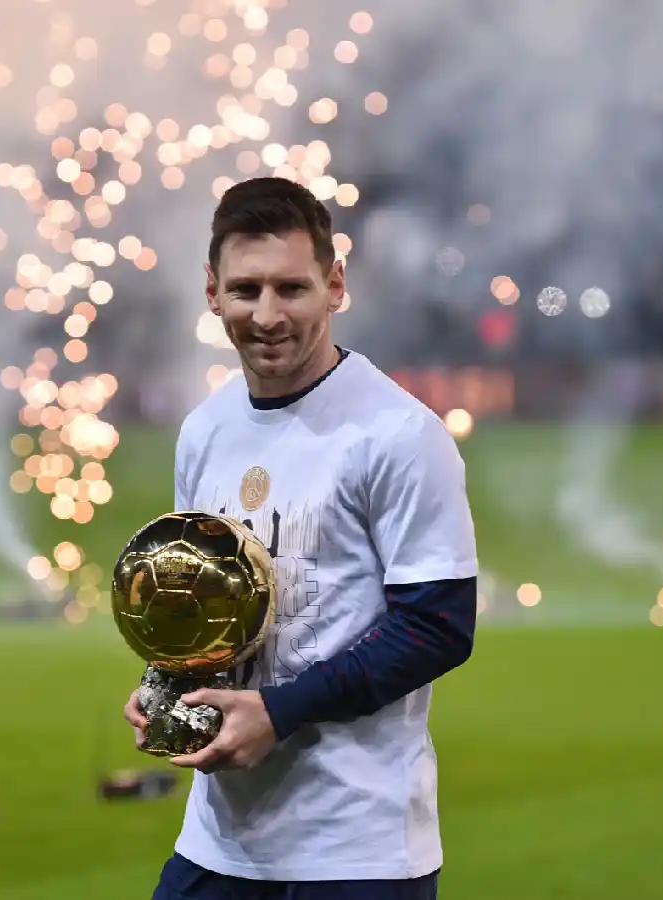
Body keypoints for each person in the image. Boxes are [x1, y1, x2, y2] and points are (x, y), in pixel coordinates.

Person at [124, 176, 479, 900]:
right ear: (212, 292)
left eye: (291, 288)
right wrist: (167, 683)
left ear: (335, 286)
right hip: (221, 841)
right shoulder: (205, 431)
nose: (267, 315)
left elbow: (438, 627)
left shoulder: (399, 435)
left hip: (356, 850)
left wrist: (279, 713)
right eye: (245, 290)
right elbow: (209, 613)